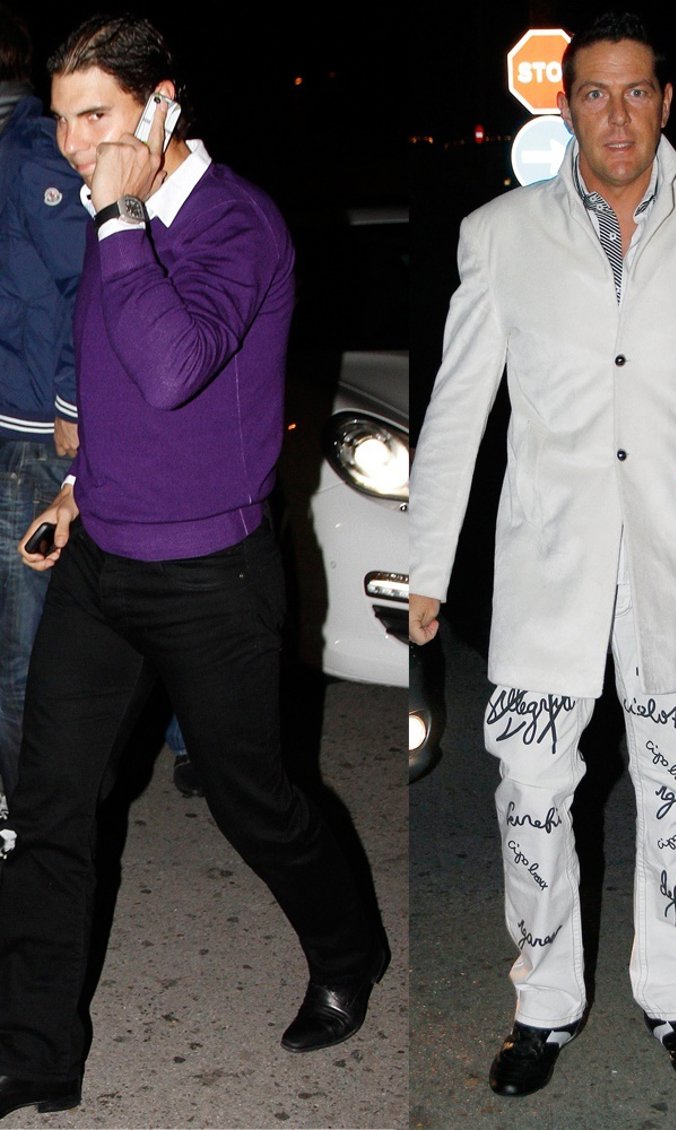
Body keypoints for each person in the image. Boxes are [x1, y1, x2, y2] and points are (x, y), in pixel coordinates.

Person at [409, 11, 676, 1099]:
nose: (619, 115)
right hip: (547, 567)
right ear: (567, 105)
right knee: (531, 792)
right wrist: (426, 568)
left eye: (637, 91)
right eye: (595, 93)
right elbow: (457, 411)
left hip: (673, 558)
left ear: (666, 101)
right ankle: (541, 1005)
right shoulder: (500, 234)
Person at [0, 15, 386, 1122]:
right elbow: (118, 384)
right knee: (50, 805)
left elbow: (173, 366)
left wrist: (122, 217)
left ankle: (349, 949)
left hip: (212, 577)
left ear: (161, 105)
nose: (76, 145)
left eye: (98, 117)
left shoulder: (236, 222)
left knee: (255, 802)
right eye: (62, 120)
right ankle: (34, 1053)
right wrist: (82, 486)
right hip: (102, 564)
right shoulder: (106, 220)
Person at [0, 6, 86, 804]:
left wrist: (70, 401)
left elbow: (87, 284)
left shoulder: (31, 152)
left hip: (29, 427)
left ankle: (30, 816)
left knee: (23, 646)